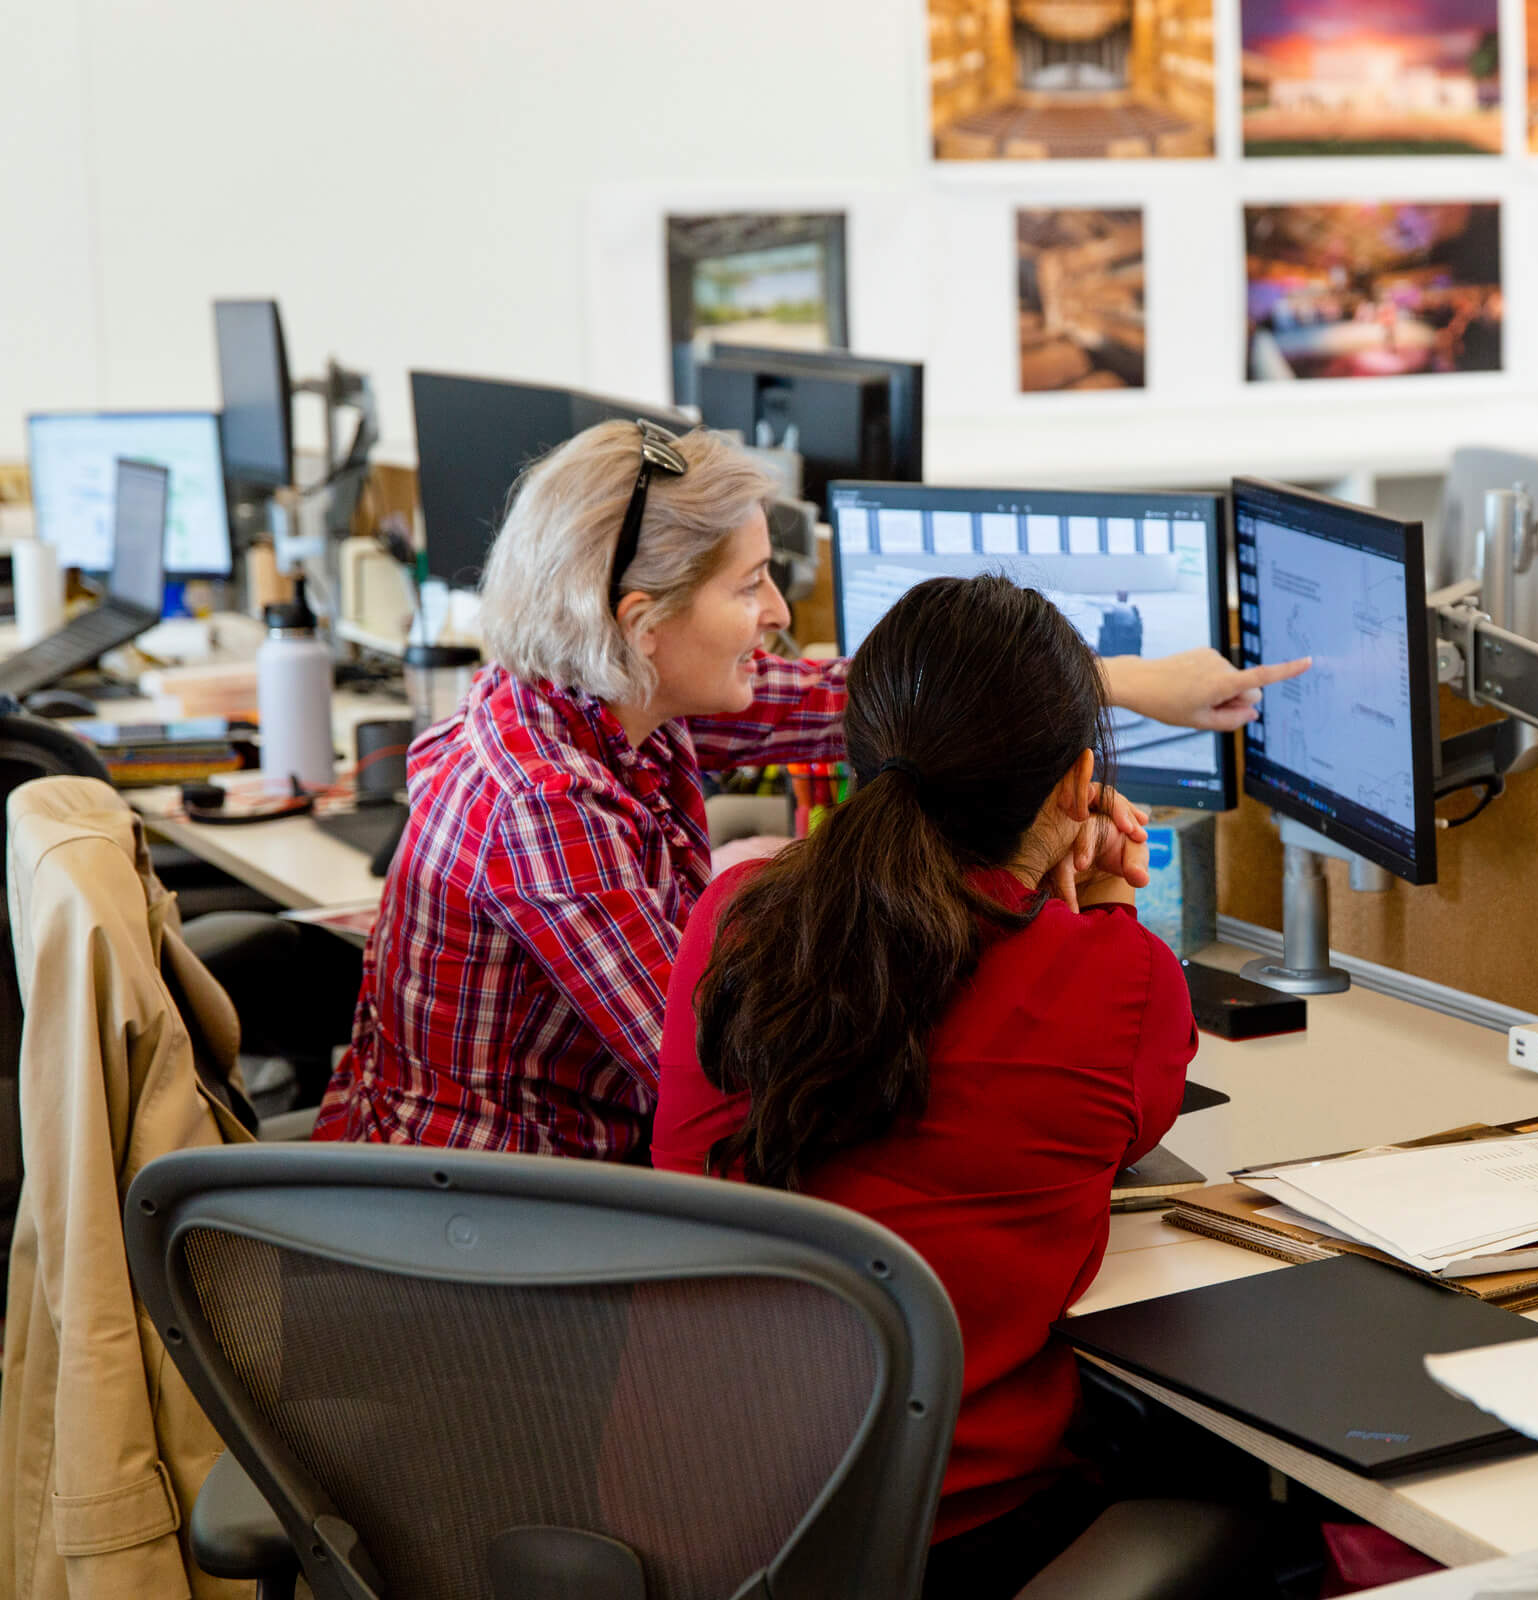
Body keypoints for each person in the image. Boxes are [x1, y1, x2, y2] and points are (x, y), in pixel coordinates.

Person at [316, 419, 1300, 1160]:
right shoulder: (546, 807)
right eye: (750, 588)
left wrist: (1120, 682)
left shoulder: (594, 694)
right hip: (496, 1239)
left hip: (540, 1180)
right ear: (642, 619)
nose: (781, 613)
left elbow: (855, 702)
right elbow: (722, 1075)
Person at [654, 574, 1189, 1596]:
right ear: (1080, 784)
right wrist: (1108, 897)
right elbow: (1128, 1129)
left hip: (693, 1526)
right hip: (942, 1534)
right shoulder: (1118, 982)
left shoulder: (733, 920)